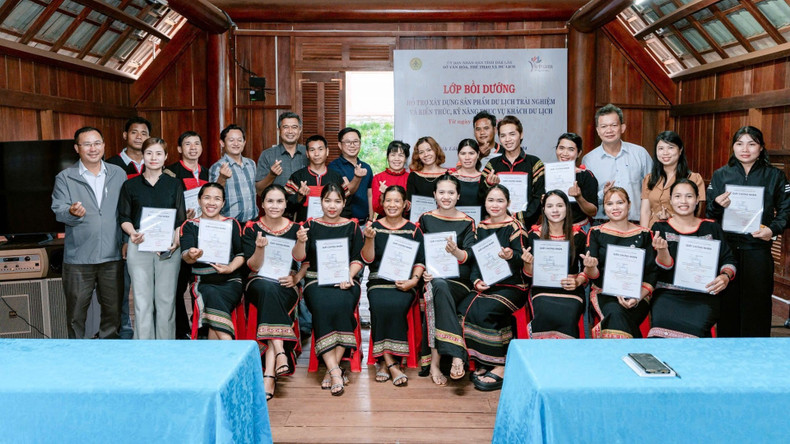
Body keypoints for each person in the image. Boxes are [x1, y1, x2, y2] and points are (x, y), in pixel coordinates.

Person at [707, 126, 790, 337]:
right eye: (739, 143)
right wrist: (717, 204)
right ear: (733, 146)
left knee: (758, 304)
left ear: (761, 148)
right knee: (727, 304)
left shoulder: (775, 176)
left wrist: (773, 229)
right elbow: (709, 211)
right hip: (727, 251)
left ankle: (756, 355)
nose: (745, 149)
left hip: (758, 249)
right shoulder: (720, 175)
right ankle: (726, 352)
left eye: (752, 144)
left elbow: (787, 209)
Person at [51, 126, 126, 339]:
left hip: (112, 256)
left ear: (103, 145)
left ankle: (109, 352)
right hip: (78, 259)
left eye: (97, 143)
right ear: (77, 148)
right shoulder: (65, 177)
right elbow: (59, 210)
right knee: (76, 314)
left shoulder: (118, 173)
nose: (93, 149)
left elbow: (126, 210)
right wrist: (72, 212)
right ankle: (77, 356)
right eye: (87, 144)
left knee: (112, 313)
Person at [292, 183, 363, 396]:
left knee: (342, 303)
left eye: (337, 201)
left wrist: (348, 277)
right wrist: (300, 241)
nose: (332, 206)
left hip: (346, 280)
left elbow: (358, 259)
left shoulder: (352, 226)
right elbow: (299, 257)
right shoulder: (309, 225)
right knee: (322, 305)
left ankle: (332, 370)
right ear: (320, 202)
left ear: (344, 203)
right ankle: (335, 370)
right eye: (327, 200)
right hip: (316, 281)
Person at [244, 184, 307, 400]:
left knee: (275, 292)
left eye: (279, 201)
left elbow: (302, 260)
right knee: (267, 289)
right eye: (270, 201)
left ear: (286, 203)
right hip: (258, 281)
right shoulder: (251, 228)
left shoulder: (296, 227)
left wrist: (296, 278)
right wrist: (259, 248)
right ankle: (279, 354)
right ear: (262, 204)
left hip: (285, 282)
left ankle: (270, 372)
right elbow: (252, 266)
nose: (274, 205)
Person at [118, 137, 186, 339]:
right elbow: (124, 217)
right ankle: (144, 349)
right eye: (149, 153)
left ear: (165, 157)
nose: (153, 157)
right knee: (142, 301)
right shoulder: (130, 186)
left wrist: (175, 240)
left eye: (158, 153)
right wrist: (132, 233)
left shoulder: (174, 184)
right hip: (139, 245)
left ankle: (165, 349)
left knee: (166, 301)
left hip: (169, 248)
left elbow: (180, 218)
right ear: (143, 156)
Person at [650, 179, 735, 338]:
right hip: (667, 294)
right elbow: (660, 268)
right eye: (678, 196)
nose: (683, 201)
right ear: (671, 200)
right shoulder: (659, 228)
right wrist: (662, 251)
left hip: (703, 295)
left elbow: (728, 258)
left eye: (689, 196)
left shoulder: (711, 227)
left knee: (695, 333)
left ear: (697, 199)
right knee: (659, 333)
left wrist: (725, 276)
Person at [462, 185, 527, 392]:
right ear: (485, 203)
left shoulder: (516, 226)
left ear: (508, 203)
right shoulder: (481, 227)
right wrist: (475, 281)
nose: (495, 205)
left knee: (486, 309)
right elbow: (475, 262)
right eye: (491, 200)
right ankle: (485, 361)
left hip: (513, 284)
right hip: (488, 283)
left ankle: (500, 364)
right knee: (465, 307)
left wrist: (511, 256)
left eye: (500, 201)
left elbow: (523, 260)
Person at [360, 185, 424, 387]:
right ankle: (391, 362)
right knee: (380, 303)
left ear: (405, 204)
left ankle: (384, 362)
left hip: (405, 281)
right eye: (388, 200)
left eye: (397, 201)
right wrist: (369, 239)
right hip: (378, 279)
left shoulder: (414, 229)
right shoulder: (374, 227)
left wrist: (413, 281)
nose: (392, 205)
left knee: (396, 304)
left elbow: (420, 261)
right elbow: (368, 260)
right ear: (382, 203)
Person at [418, 174, 475, 385]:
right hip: (432, 278)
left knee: (439, 289)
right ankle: (456, 355)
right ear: (434, 195)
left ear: (458, 195)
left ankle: (436, 362)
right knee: (436, 287)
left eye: (451, 192)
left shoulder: (467, 221)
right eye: (441, 192)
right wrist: (422, 270)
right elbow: (419, 253)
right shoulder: (425, 218)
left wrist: (457, 252)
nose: (446, 197)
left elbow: (470, 256)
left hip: (459, 281)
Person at [584, 187, 657, 338]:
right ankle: (636, 352)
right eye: (609, 204)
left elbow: (652, 272)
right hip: (605, 292)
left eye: (620, 202)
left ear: (629, 205)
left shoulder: (644, 234)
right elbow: (594, 276)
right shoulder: (596, 233)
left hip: (638, 294)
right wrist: (590, 267)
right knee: (615, 312)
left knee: (620, 315)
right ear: (604, 208)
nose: (615, 208)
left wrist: (637, 297)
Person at [179, 183, 245, 340]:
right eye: (207, 198)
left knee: (214, 297)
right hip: (203, 282)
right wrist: (192, 254)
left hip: (231, 280)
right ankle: (228, 344)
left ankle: (218, 350)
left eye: (217, 199)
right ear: (199, 200)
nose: (211, 203)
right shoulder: (190, 225)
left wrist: (229, 268)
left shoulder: (231, 223)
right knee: (211, 293)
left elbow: (241, 254)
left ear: (223, 203)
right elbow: (185, 256)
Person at [106, 116, 152, 339]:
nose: (139, 137)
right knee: (122, 288)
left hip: (152, 236)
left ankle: (149, 333)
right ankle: (125, 332)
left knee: (149, 288)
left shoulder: (153, 162)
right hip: (121, 234)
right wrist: (125, 238)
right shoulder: (112, 165)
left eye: (144, 133)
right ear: (125, 135)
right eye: (134, 132)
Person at [524, 190, 587, 339]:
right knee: (544, 310)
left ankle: (566, 358)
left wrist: (578, 281)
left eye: (559, 205)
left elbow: (586, 270)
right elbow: (528, 274)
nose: (555, 210)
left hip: (570, 288)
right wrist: (528, 263)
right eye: (550, 206)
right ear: (544, 210)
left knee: (568, 314)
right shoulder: (534, 235)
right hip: (542, 288)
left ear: (567, 208)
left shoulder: (578, 235)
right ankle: (543, 357)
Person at [165, 131, 209, 339]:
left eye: (197, 143)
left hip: (206, 235)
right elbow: (165, 205)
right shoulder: (170, 174)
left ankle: (200, 327)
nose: (193, 147)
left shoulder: (208, 173)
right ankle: (181, 330)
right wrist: (182, 216)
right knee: (178, 285)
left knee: (201, 282)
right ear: (179, 149)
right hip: (179, 235)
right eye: (188, 144)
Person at [582, 104, 652, 223]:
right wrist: (602, 194)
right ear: (598, 130)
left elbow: (652, 189)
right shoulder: (589, 160)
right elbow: (587, 200)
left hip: (636, 225)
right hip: (602, 226)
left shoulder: (640, 154)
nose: (609, 130)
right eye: (604, 126)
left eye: (614, 125)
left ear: (622, 127)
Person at [482, 115, 545, 228]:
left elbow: (539, 197)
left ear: (521, 134)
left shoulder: (534, 163)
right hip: (497, 225)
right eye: (503, 135)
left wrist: (521, 217)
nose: (507, 139)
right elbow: (481, 195)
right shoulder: (493, 164)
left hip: (528, 226)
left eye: (512, 134)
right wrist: (489, 185)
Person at [640, 131, 706, 228]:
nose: (665, 153)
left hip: (681, 231)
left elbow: (697, 212)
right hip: (653, 232)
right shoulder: (649, 178)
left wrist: (671, 218)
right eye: (661, 148)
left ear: (680, 150)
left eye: (670, 147)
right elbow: (645, 211)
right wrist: (644, 235)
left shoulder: (693, 178)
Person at [285, 135, 348, 222]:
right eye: (312, 150)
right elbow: (286, 207)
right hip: (304, 229)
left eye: (320, 149)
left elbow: (346, 206)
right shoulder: (297, 176)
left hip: (331, 228)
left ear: (327, 151)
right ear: (307, 153)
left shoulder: (336, 177)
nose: (316, 154)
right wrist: (299, 196)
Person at [209, 124, 258, 224]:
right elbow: (213, 196)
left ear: (244, 143)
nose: (236, 143)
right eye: (231, 140)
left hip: (252, 222)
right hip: (230, 224)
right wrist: (222, 178)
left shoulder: (251, 164)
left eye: (239, 140)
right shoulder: (217, 167)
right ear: (222, 143)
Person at [329, 127, 373, 224]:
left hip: (364, 223)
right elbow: (347, 191)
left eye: (355, 142)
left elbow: (370, 195)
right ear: (340, 145)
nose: (352, 145)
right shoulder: (334, 166)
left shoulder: (366, 167)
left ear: (360, 144)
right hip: (344, 222)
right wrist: (357, 177)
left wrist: (371, 218)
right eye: (348, 142)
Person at [554, 133, 598, 231]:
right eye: (561, 148)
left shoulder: (586, 176)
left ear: (578, 153)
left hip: (579, 229)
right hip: (553, 229)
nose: (565, 153)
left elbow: (593, 212)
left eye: (571, 149)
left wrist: (579, 197)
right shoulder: (548, 173)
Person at [255, 111, 307, 192]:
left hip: (304, 204)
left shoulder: (308, 153)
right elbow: (259, 190)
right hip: (278, 204)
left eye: (294, 127)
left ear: (300, 130)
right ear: (279, 130)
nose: (290, 131)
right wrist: (271, 175)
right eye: (285, 127)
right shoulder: (267, 155)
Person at [406, 136, 448, 220]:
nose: (426, 155)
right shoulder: (413, 176)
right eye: (421, 152)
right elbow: (409, 205)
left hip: (443, 220)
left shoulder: (448, 175)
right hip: (419, 222)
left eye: (429, 150)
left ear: (436, 150)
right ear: (418, 156)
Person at [372, 141, 410, 218]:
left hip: (406, 221)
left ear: (405, 159)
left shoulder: (411, 177)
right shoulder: (378, 178)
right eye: (393, 155)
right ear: (388, 157)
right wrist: (383, 195)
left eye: (401, 155)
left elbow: (413, 206)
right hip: (384, 220)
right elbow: (376, 207)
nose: (397, 159)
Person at [451, 138, 484, 221]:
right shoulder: (450, 178)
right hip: (455, 224)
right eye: (463, 153)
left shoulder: (485, 179)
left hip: (480, 226)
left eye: (471, 153)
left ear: (478, 154)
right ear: (458, 155)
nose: (467, 157)